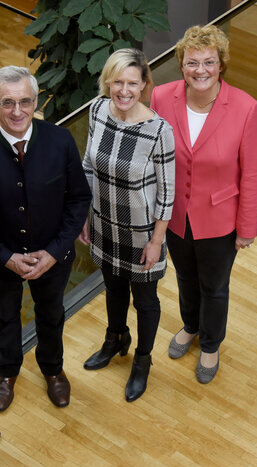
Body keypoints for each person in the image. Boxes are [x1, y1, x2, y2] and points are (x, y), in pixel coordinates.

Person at [0, 66, 91, 412]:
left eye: (25, 102)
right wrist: (6, 257)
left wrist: (55, 251)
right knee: (4, 316)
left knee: (52, 314)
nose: (17, 111)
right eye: (8, 103)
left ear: (35, 102)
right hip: (0, 261)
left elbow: (78, 199)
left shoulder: (60, 141)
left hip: (53, 255)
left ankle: (53, 370)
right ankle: (6, 372)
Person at [150, 25, 257, 383]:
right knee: (185, 276)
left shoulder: (247, 109)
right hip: (174, 216)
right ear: (181, 65)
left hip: (219, 219)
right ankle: (191, 326)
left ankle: (211, 344)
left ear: (221, 65)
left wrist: (247, 228)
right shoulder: (161, 98)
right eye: (192, 62)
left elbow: (252, 175)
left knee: (214, 286)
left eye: (209, 62)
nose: (200, 70)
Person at [78, 49, 175, 402]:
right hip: (104, 223)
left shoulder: (158, 131)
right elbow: (88, 165)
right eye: (117, 81)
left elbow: (167, 193)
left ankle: (142, 361)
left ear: (145, 85)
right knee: (113, 287)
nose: (124, 90)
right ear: (108, 82)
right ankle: (115, 339)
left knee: (145, 299)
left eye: (132, 83)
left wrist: (156, 240)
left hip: (142, 233)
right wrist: (85, 215)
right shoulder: (97, 110)